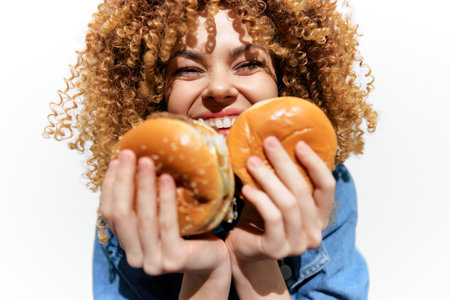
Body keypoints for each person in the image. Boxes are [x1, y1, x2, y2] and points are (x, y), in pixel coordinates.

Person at [44, 0, 377, 299]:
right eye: (189, 69)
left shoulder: (321, 184)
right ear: (154, 93)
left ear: (286, 80)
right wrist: (206, 275)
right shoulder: (134, 199)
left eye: (248, 64)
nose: (219, 89)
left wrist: (256, 263)